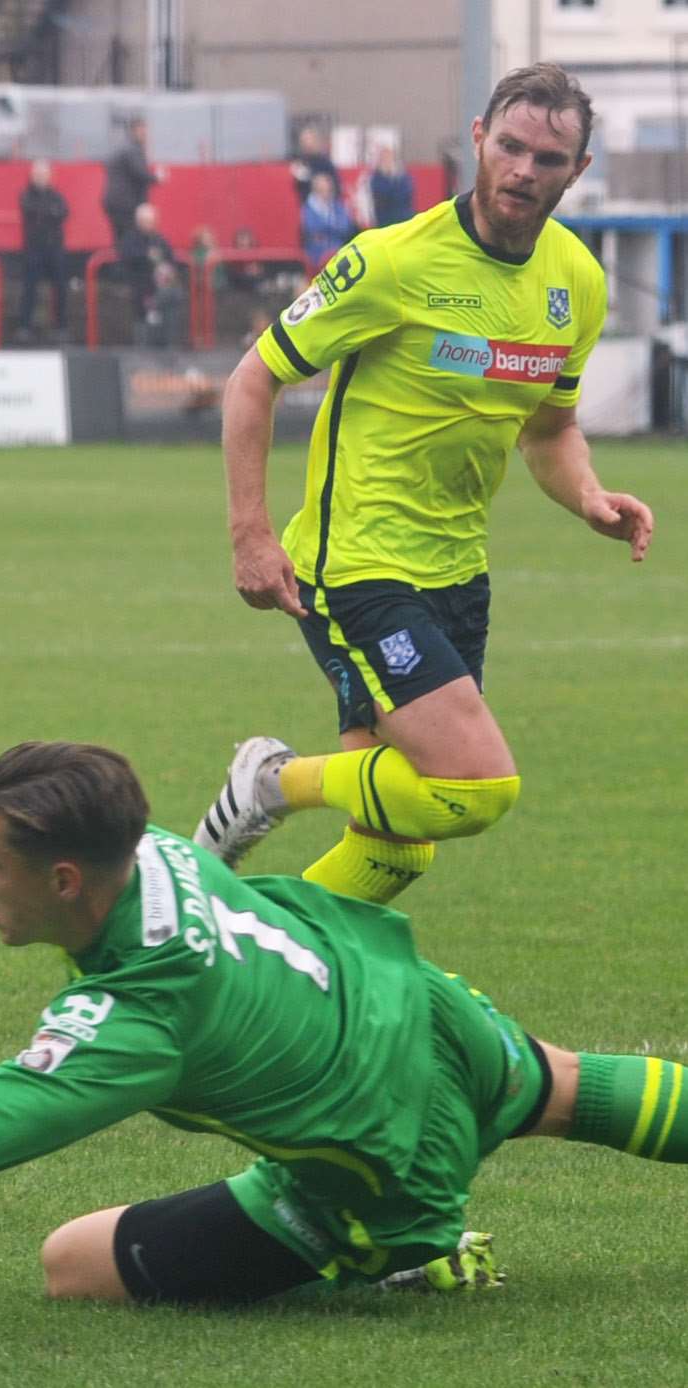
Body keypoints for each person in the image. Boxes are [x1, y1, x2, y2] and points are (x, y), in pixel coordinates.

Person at [0, 739, 688, 1304]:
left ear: (63, 878)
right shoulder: (136, 845)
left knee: (70, 1263)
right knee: (564, 1085)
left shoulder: (136, 1016)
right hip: (418, 1005)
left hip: (381, 1164)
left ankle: (412, 1251)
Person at [192, 63, 653, 907]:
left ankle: (247, 962)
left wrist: (588, 495)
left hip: (457, 572)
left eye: (546, 159)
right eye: (509, 147)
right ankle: (272, 784)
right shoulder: (390, 263)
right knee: (476, 787)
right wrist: (250, 535)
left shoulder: (575, 281)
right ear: (478, 139)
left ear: (576, 171)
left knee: (397, 849)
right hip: (358, 564)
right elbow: (252, 380)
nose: (522, 170)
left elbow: (550, 429)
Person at [17, 159, 69, 341]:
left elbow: (63, 212)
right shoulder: (26, 195)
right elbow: (31, 211)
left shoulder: (57, 196)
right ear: (32, 176)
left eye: (44, 174)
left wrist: (45, 214)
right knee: (30, 288)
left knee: (61, 287)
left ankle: (61, 326)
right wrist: (49, 213)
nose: (41, 178)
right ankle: (24, 326)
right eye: (38, 174)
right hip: (34, 249)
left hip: (54, 248)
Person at [101, 118, 156, 246]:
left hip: (118, 202)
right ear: (134, 131)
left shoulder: (123, 149)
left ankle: (123, 259)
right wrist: (157, 178)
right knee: (129, 237)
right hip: (125, 204)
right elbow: (140, 173)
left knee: (122, 237)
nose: (145, 134)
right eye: (142, 130)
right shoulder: (133, 150)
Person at [298, 171, 355, 275]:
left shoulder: (337, 206)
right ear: (316, 190)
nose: (326, 192)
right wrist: (334, 228)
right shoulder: (308, 208)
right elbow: (312, 229)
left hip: (338, 247)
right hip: (317, 251)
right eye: (322, 190)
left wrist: (326, 230)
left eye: (328, 189)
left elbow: (346, 227)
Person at [289, 123, 338, 208]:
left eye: (309, 139)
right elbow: (299, 188)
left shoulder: (325, 163)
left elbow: (336, 185)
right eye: (304, 141)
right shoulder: (301, 163)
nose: (307, 144)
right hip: (309, 206)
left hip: (328, 206)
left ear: (316, 141)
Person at [370, 145, 417, 228]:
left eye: (389, 157)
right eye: (384, 158)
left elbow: (407, 193)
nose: (387, 160)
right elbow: (381, 195)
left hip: (403, 217)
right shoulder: (376, 177)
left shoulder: (403, 175)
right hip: (385, 219)